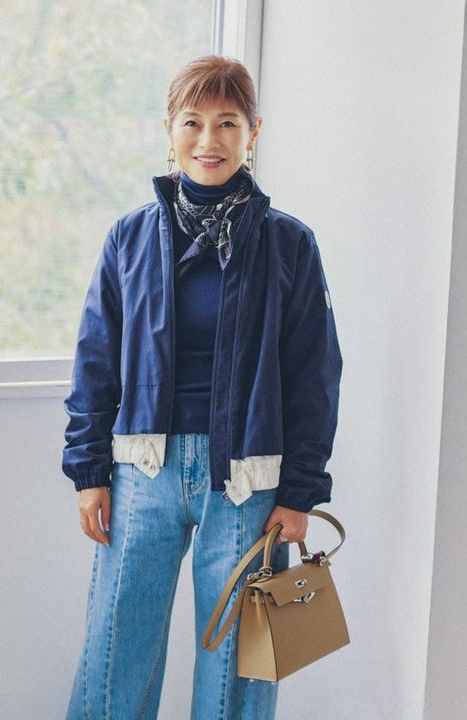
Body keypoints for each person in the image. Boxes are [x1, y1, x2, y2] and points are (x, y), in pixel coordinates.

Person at [62, 54, 343, 720]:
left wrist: (301, 491)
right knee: (115, 653)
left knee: (239, 669)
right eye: (193, 121)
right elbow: (96, 360)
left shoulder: (289, 244)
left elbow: (315, 374)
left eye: (228, 122)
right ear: (169, 128)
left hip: (248, 480)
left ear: (253, 132)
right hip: (141, 472)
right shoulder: (129, 237)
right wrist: (89, 470)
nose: (209, 139)